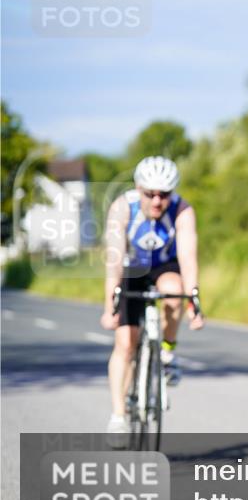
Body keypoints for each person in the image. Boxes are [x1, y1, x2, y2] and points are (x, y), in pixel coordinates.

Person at [100, 156, 204, 446]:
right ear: (138, 188)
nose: (157, 201)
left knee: (174, 290)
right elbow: (115, 260)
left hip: (164, 266)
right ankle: (119, 415)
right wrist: (110, 306)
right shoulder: (122, 208)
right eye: (150, 194)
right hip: (132, 267)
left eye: (164, 194)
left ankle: (167, 352)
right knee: (125, 343)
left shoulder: (182, 211)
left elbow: (187, 258)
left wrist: (194, 301)